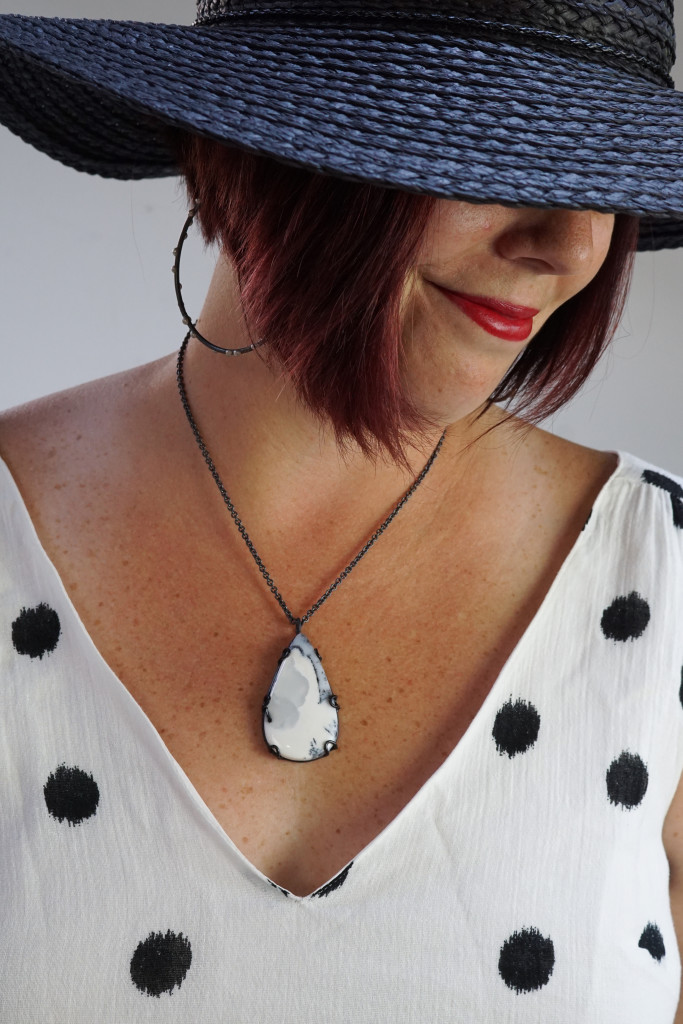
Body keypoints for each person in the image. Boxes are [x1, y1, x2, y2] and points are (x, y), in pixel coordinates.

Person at [0, 0, 682, 1019]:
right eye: (497, 145)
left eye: (604, 178)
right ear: (266, 143)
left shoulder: (662, 583)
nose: (569, 247)